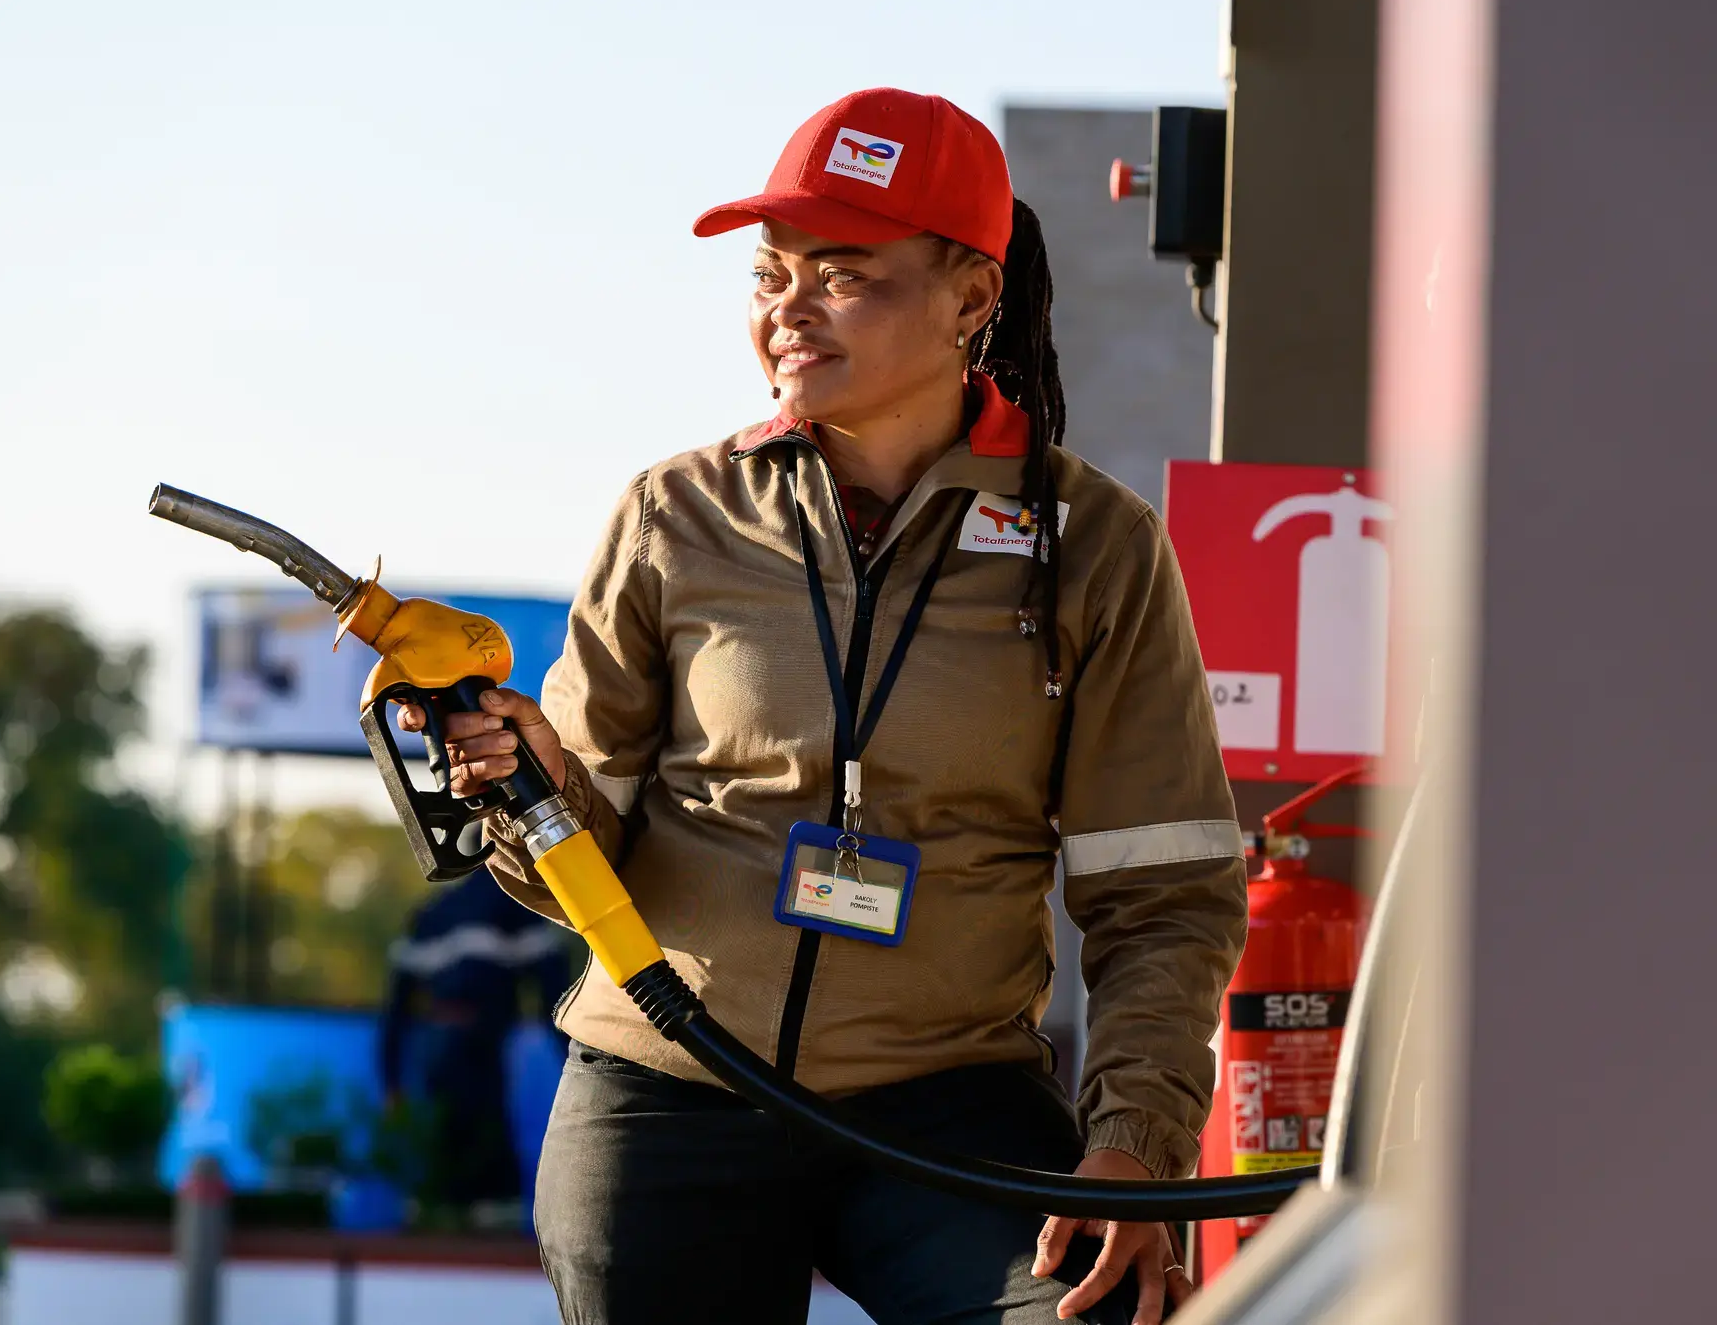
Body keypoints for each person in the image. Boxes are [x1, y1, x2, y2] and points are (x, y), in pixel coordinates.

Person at [403, 87, 1246, 1325]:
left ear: (969, 296)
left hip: (947, 1095)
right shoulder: (673, 515)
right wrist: (531, 790)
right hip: (667, 1080)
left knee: (1098, 1317)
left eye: (841, 274)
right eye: (768, 273)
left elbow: (1162, 894)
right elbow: (585, 863)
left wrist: (1133, 1142)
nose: (786, 308)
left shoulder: (1094, 548)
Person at [377, 866, 572, 1206]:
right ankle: (492, 1203)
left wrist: (391, 1080)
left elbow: (396, 1010)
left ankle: (440, 1203)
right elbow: (554, 992)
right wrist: (572, 1057)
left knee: (444, 1128)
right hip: (486, 1037)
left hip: (438, 1040)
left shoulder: (433, 910)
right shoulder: (516, 906)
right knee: (483, 1122)